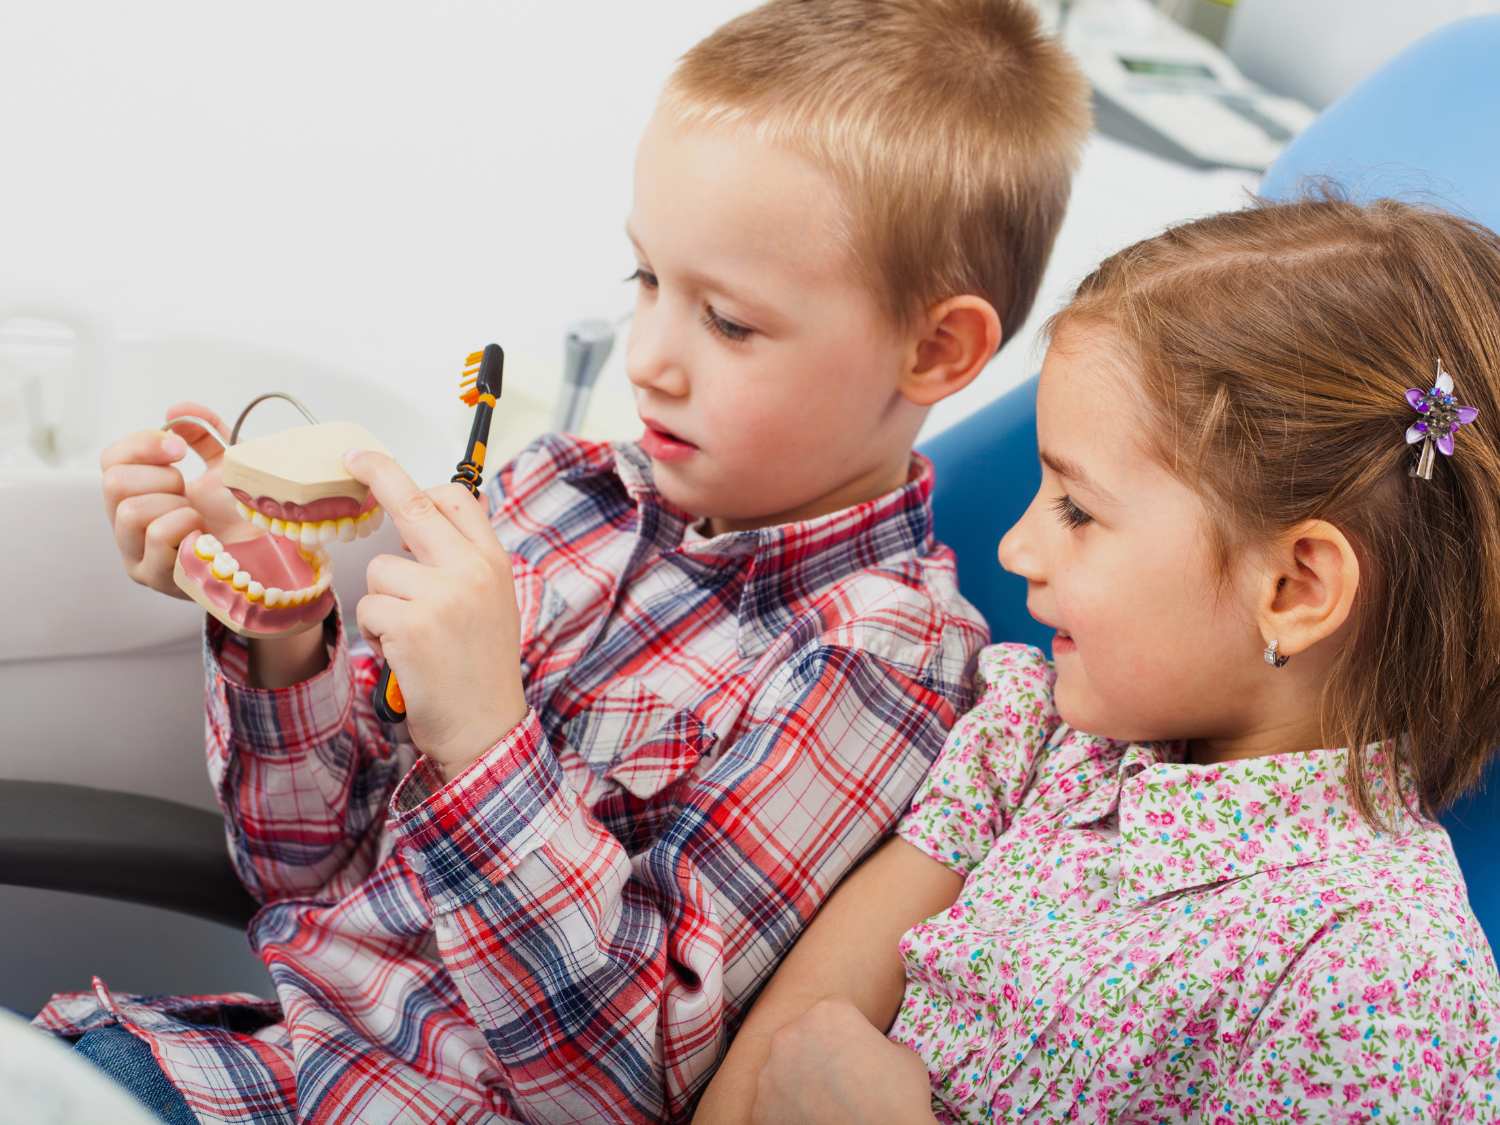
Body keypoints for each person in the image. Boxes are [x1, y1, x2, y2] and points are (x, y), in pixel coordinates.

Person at [46, 2, 1093, 1122]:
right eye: (645, 280)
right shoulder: (562, 493)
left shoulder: (878, 661)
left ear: (937, 350)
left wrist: (487, 732)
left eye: (729, 324)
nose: (648, 360)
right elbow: (305, 876)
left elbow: (615, 1084)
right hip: (242, 1067)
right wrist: (282, 630)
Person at [696, 196, 1500, 1125]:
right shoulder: (1041, 733)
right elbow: (789, 1044)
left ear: (1293, 587)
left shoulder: (1373, 983)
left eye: (1076, 509)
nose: (1014, 547)